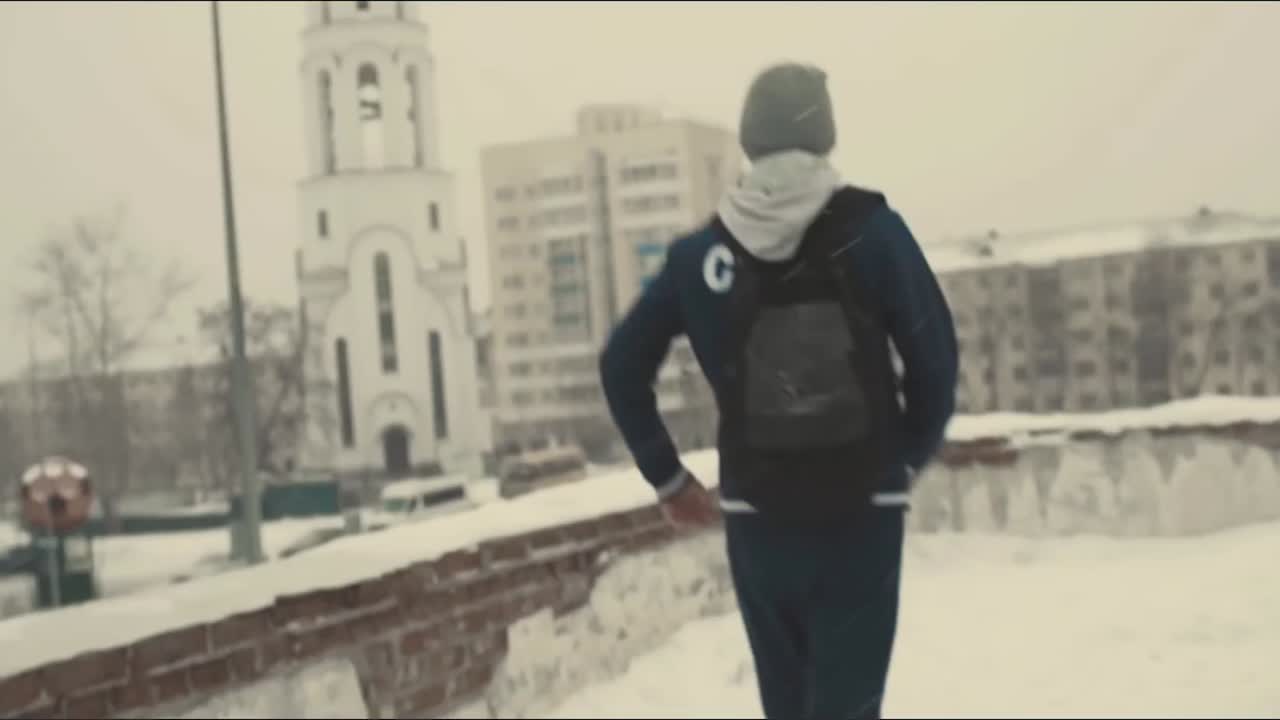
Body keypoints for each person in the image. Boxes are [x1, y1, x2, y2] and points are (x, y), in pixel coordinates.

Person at [599, 62, 958, 720]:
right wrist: (903, 457)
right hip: (861, 514)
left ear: (749, 140)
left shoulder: (700, 256)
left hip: (759, 518)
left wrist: (669, 478)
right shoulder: (872, 233)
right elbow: (936, 358)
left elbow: (622, 365)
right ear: (825, 136)